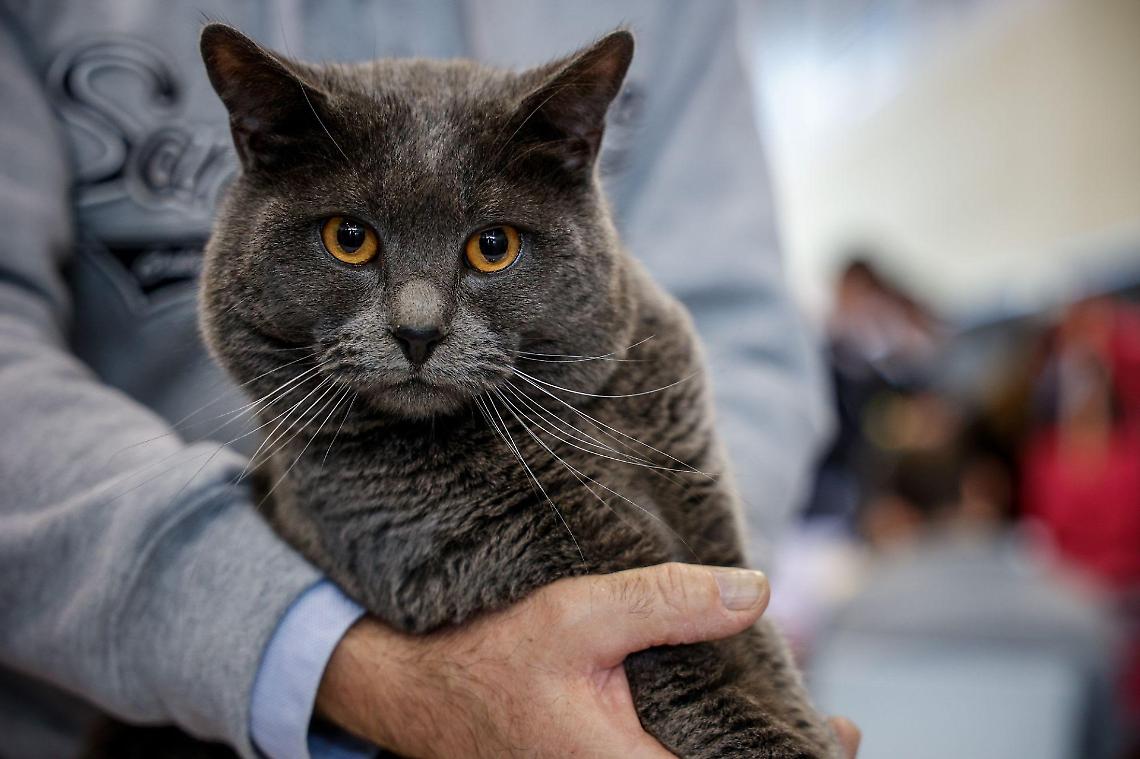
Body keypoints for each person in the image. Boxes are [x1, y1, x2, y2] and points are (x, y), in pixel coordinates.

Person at [0, 1, 844, 756]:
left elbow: (743, 326)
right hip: (108, 686)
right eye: (351, 241)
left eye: (490, 248)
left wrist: (690, 633)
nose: (415, 320)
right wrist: (314, 647)